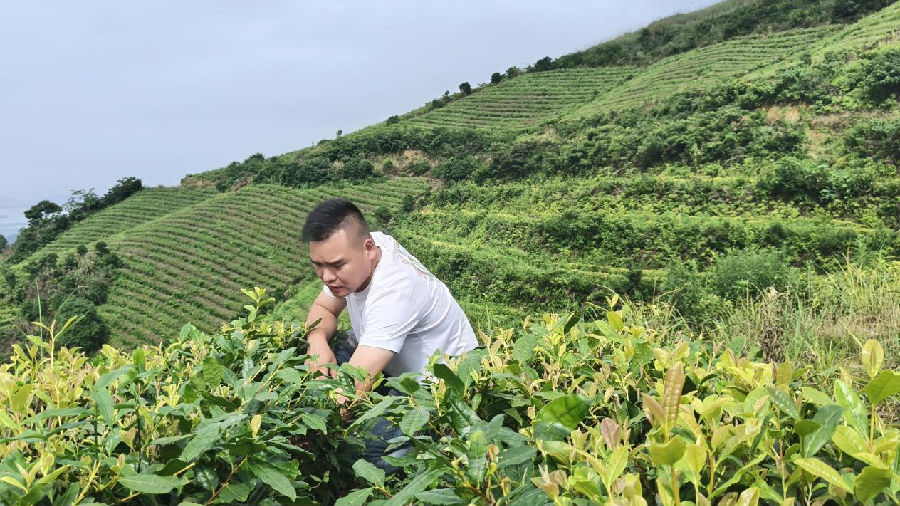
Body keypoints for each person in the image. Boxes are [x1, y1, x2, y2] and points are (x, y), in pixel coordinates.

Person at [301, 198, 477, 469]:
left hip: (435, 385)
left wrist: (301, 436)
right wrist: (316, 341)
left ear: (368, 249)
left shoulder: (395, 291)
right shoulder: (368, 248)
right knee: (321, 358)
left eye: (336, 265)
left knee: (368, 450)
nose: (326, 276)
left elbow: (352, 389)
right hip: (387, 359)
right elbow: (324, 307)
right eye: (318, 265)